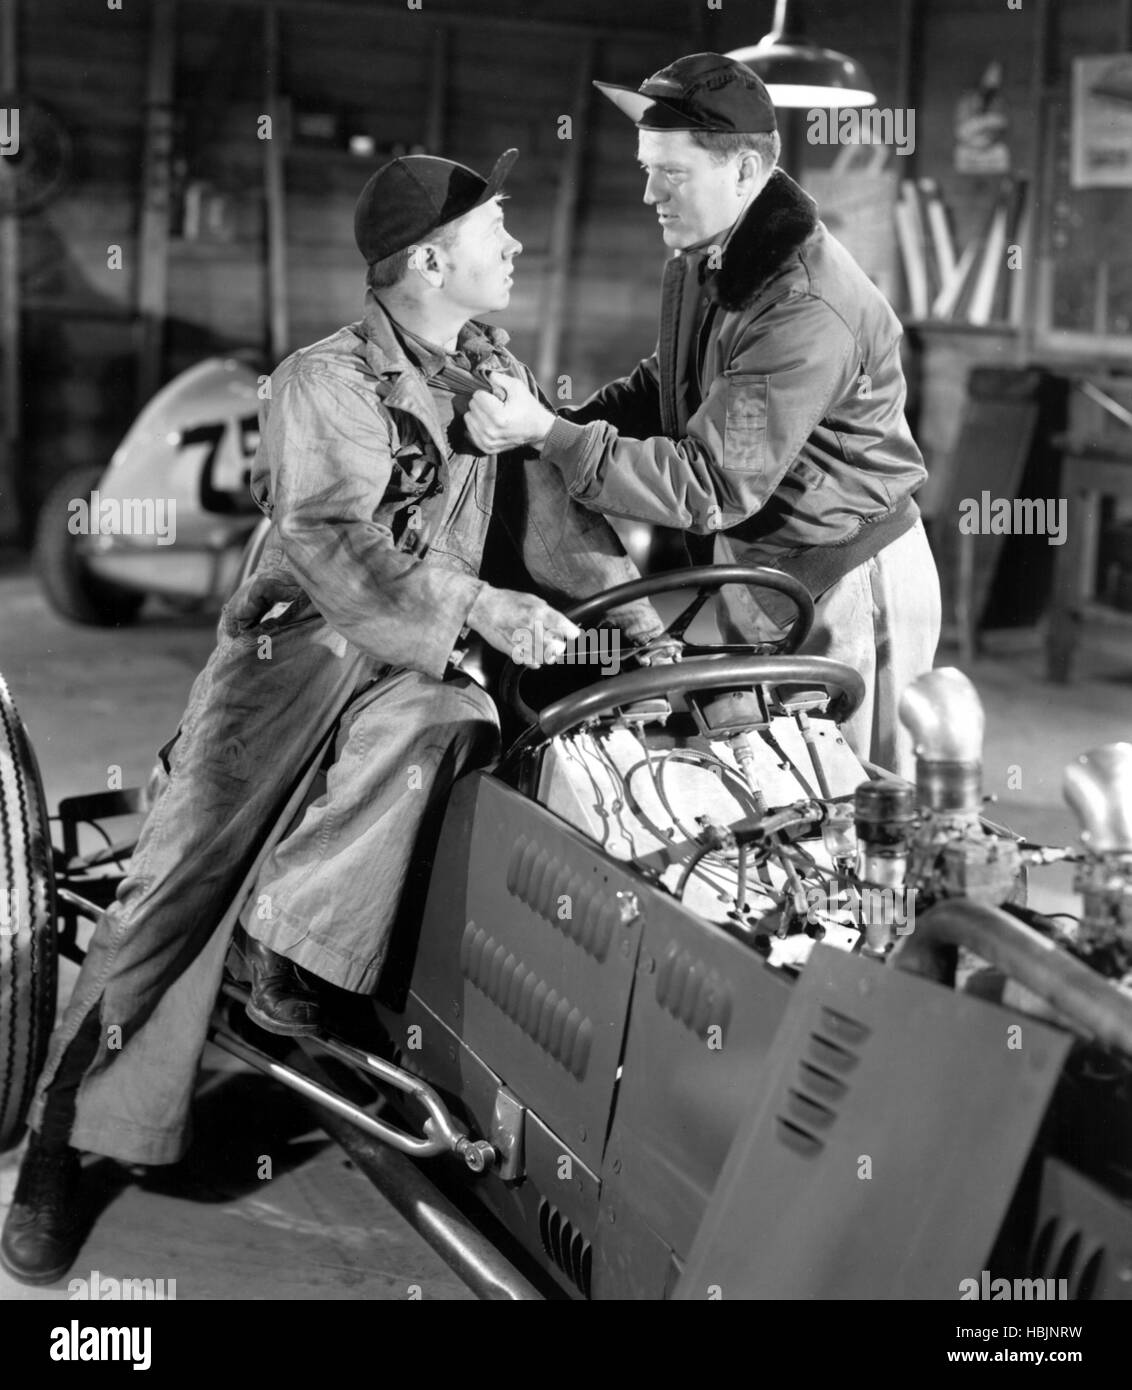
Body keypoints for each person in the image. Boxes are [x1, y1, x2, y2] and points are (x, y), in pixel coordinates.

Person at [1, 148, 667, 1285]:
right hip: (295, 656)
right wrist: (480, 604)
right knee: (170, 885)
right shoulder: (323, 380)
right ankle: (60, 1154)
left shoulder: (492, 372)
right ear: (427, 258)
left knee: (453, 723)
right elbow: (335, 541)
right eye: (494, 230)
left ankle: (286, 950)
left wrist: (650, 641)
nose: (514, 248)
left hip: (415, 657)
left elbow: (552, 522)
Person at [467, 52, 941, 777]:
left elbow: (713, 484)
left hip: (848, 582)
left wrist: (553, 436)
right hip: (766, 570)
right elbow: (670, 388)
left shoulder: (801, 307)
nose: (651, 193)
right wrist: (552, 429)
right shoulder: (711, 257)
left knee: (855, 815)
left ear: (746, 173)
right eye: (646, 168)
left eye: (673, 173)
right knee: (776, 791)